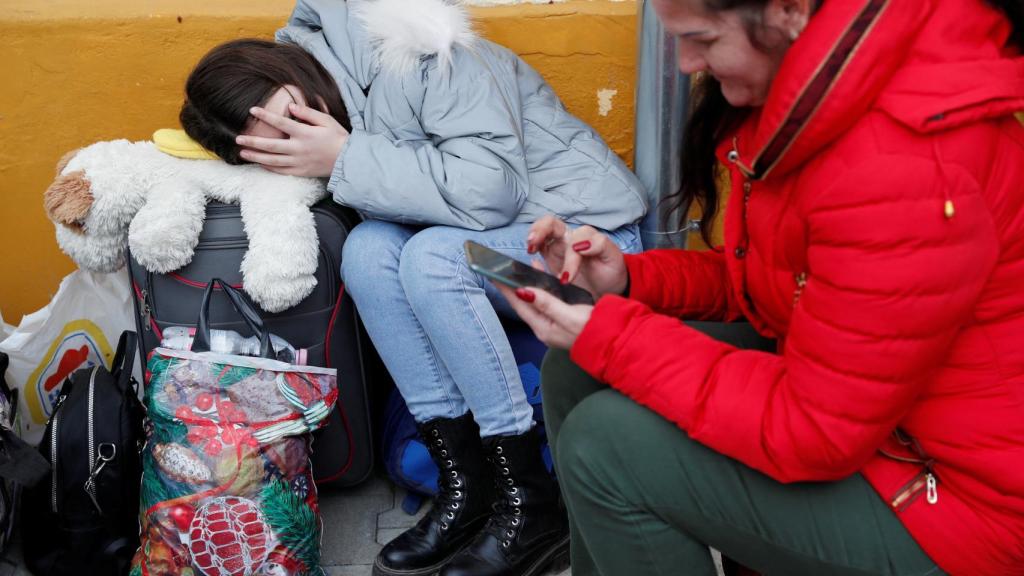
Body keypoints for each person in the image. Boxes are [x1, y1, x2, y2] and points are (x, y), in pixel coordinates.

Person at [500, 0, 1024, 574]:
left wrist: (618, 337)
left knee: (607, 447)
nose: (684, 63)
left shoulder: (900, 166)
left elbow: (816, 432)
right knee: (575, 366)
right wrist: (628, 278)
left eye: (701, 38)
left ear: (789, 11)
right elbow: (778, 288)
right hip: (880, 425)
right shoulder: (819, 98)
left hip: (958, 508)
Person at [178, 1, 647, 575]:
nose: (297, 138)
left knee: (431, 259)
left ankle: (532, 500)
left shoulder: (427, 53)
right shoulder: (345, 96)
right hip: (491, 261)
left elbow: (487, 192)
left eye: (290, 115)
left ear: (289, 72)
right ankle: (467, 484)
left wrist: (345, 157)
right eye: (277, 145)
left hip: (589, 261)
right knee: (368, 250)